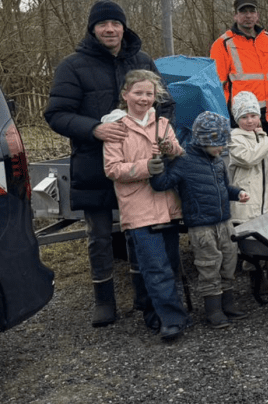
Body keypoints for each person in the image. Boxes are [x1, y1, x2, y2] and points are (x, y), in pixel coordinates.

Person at [45, 0, 175, 328]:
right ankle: (104, 299)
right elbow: (56, 114)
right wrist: (93, 129)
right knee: (100, 235)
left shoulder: (141, 60)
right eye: (103, 25)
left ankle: (143, 295)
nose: (110, 29)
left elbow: (165, 103)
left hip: (138, 162)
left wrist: (155, 133)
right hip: (92, 161)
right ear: (93, 29)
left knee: (137, 231)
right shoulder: (72, 66)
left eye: (115, 23)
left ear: (123, 27)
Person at [100, 69, 188, 341]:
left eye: (149, 93)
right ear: (126, 95)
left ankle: (153, 313)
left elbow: (179, 153)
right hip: (138, 210)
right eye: (138, 93)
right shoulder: (117, 129)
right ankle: (173, 320)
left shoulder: (163, 124)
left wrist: (169, 149)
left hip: (168, 207)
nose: (143, 98)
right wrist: (145, 167)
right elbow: (112, 169)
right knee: (156, 267)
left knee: (169, 265)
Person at [153, 111, 250, 329]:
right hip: (201, 227)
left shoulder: (217, 162)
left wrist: (238, 193)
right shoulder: (184, 162)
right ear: (204, 140)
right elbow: (162, 184)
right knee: (209, 266)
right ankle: (213, 310)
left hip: (224, 222)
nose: (221, 149)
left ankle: (228, 303)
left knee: (228, 262)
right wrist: (158, 163)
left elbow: (224, 187)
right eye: (217, 144)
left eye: (223, 144)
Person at [228, 91, 268, 291]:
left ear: (259, 116)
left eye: (253, 115)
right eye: (244, 117)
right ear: (237, 119)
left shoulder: (263, 138)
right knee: (252, 244)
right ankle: (256, 279)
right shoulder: (234, 139)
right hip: (249, 202)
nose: (249, 121)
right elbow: (249, 158)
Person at [209, 0, 268, 135]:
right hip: (242, 115)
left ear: (257, 15)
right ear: (235, 16)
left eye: (251, 11)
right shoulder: (223, 44)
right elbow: (217, 84)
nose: (248, 15)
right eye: (243, 12)